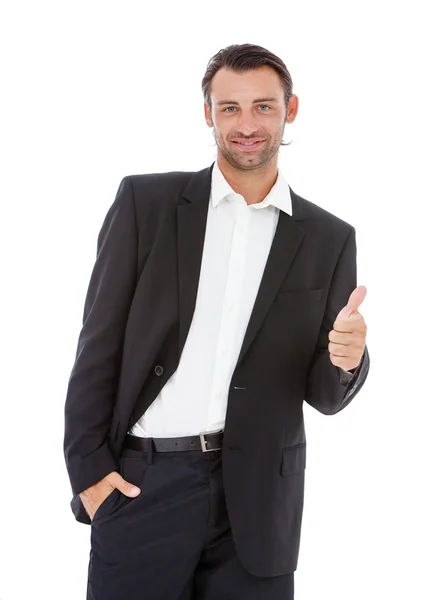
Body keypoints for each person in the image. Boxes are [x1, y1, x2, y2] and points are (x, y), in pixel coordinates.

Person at [64, 43, 370, 600]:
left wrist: (347, 360)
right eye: (229, 108)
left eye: (263, 106)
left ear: (291, 109)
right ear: (208, 113)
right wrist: (88, 472)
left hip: (256, 503)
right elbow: (97, 346)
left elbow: (324, 395)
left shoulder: (329, 238)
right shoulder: (145, 203)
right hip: (142, 486)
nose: (246, 124)